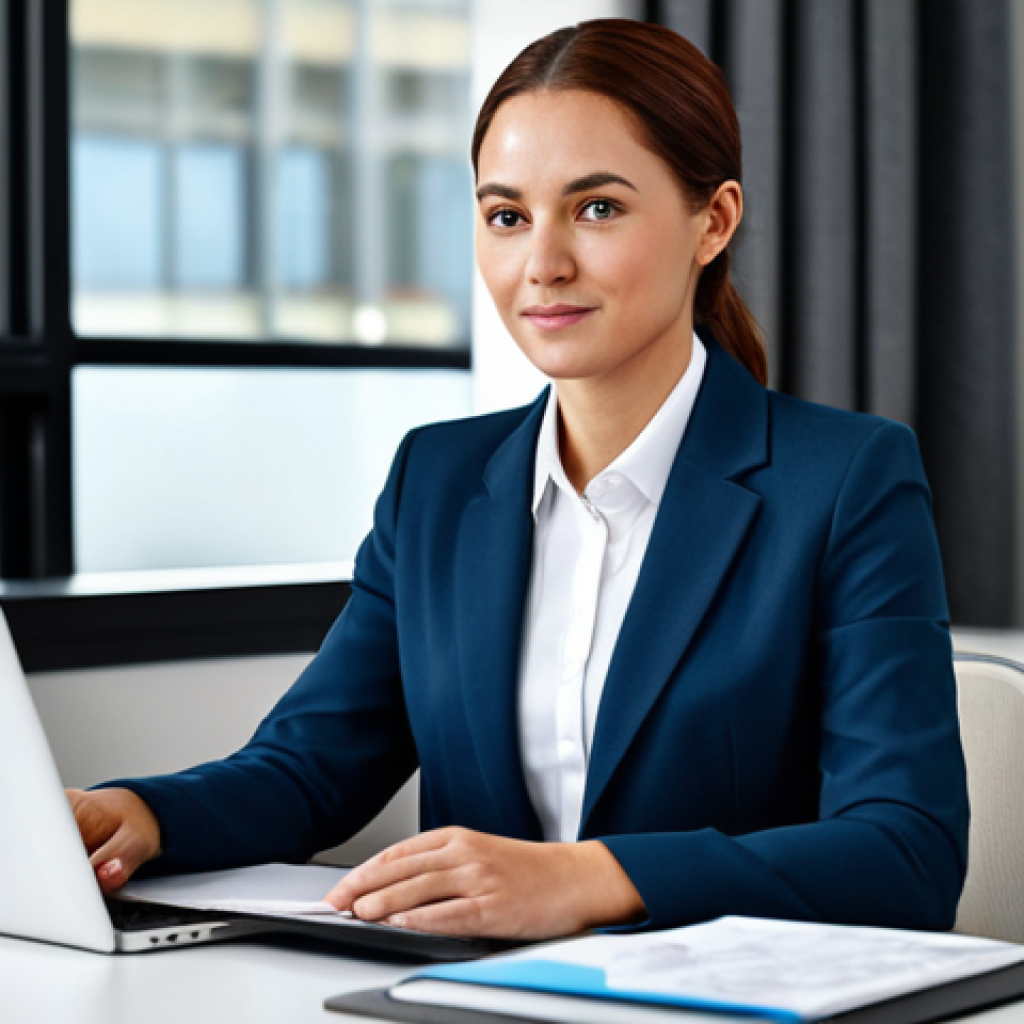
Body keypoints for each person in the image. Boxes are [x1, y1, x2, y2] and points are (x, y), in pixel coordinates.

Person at [67, 19, 968, 940]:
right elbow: (313, 768)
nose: (542, 265)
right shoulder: (437, 481)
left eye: (597, 209)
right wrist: (142, 816)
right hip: (468, 1000)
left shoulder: (847, 479)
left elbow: (906, 853)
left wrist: (588, 879)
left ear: (715, 220)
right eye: (507, 216)